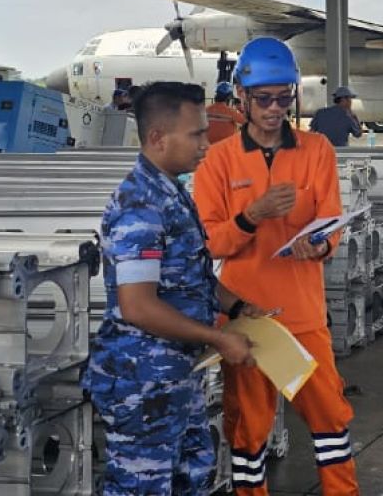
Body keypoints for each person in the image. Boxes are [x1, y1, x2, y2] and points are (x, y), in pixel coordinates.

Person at [193, 38, 358, 496]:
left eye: (283, 97)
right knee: (248, 433)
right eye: (263, 99)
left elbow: (331, 221)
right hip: (246, 320)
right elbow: (207, 242)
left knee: (330, 420)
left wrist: (320, 244)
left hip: (304, 317)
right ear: (241, 98)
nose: (274, 108)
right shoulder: (217, 163)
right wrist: (253, 216)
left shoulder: (317, 150)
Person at [84, 81, 258, 496]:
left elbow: (188, 277)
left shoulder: (171, 192)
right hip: (142, 383)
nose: (206, 144)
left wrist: (236, 307)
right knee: (142, 488)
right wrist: (218, 338)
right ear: (158, 138)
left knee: (192, 476)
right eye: (196, 134)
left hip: (176, 375)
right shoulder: (140, 205)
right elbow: (137, 307)